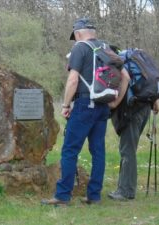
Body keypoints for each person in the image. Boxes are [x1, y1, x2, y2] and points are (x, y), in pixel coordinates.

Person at [41, 18, 129, 206]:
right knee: (98, 151)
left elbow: (73, 80)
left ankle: (62, 196)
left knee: (70, 150)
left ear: (78, 34)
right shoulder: (107, 49)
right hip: (103, 106)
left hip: (84, 105)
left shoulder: (80, 48)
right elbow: (126, 77)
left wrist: (65, 106)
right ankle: (94, 196)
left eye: (75, 37)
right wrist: (115, 103)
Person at [108, 82, 159, 201]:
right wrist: (155, 101)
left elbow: (125, 78)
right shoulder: (140, 62)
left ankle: (126, 192)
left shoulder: (123, 63)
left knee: (128, 150)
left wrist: (115, 103)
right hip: (145, 107)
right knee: (128, 148)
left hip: (132, 109)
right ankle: (123, 188)